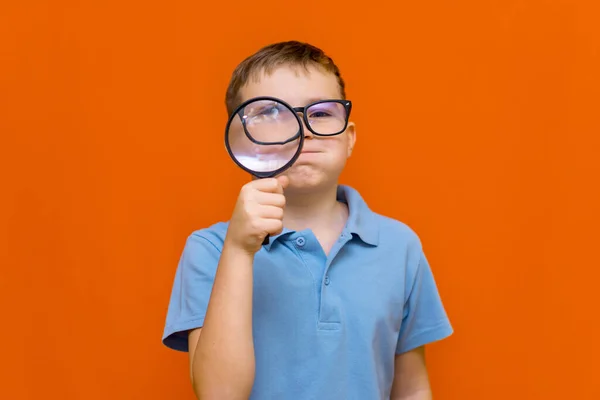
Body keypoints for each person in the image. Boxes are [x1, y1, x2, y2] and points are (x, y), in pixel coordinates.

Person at [162, 40, 453, 400]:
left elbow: (411, 387)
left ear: (349, 138)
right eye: (271, 113)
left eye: (321, 113)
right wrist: (238, 250)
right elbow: (219, 394)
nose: (304, 129)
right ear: (241, 140)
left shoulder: (399, 246)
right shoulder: (210, 249)